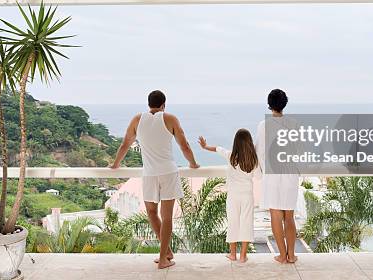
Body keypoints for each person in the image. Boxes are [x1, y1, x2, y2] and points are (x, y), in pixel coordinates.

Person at [111, 90, 200, 269]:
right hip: (168, 172)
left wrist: (115, 164)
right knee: (167, 217)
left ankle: (165, 254)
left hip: (150, 173)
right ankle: (164, 256)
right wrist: (193, 163)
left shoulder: (137, 119)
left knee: (152, 213)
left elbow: (125, 144)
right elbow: (184, 145)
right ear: (163, 105)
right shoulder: (170, 119)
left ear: (148, 104)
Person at [198, 129, 259, 263]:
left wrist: (204, 147)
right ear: (250, 143)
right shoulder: (254, 160)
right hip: (247, 195)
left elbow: (217, 149)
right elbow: (259, 176)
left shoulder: (231, 156)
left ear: (235, 143)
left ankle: (233, 254)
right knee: (246, 223)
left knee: (233, 222)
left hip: (233, 196)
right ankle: (243, 256)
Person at [255, 89, 299, 264]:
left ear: (269, 104)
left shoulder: (263, 125)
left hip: (272, 175)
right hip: (290, 173)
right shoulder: (294, 124)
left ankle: (282, 255)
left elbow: (259, 150)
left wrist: (259, 172)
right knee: (289, 215)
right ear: (285, 103)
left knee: (275, 214)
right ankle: (292, 255)